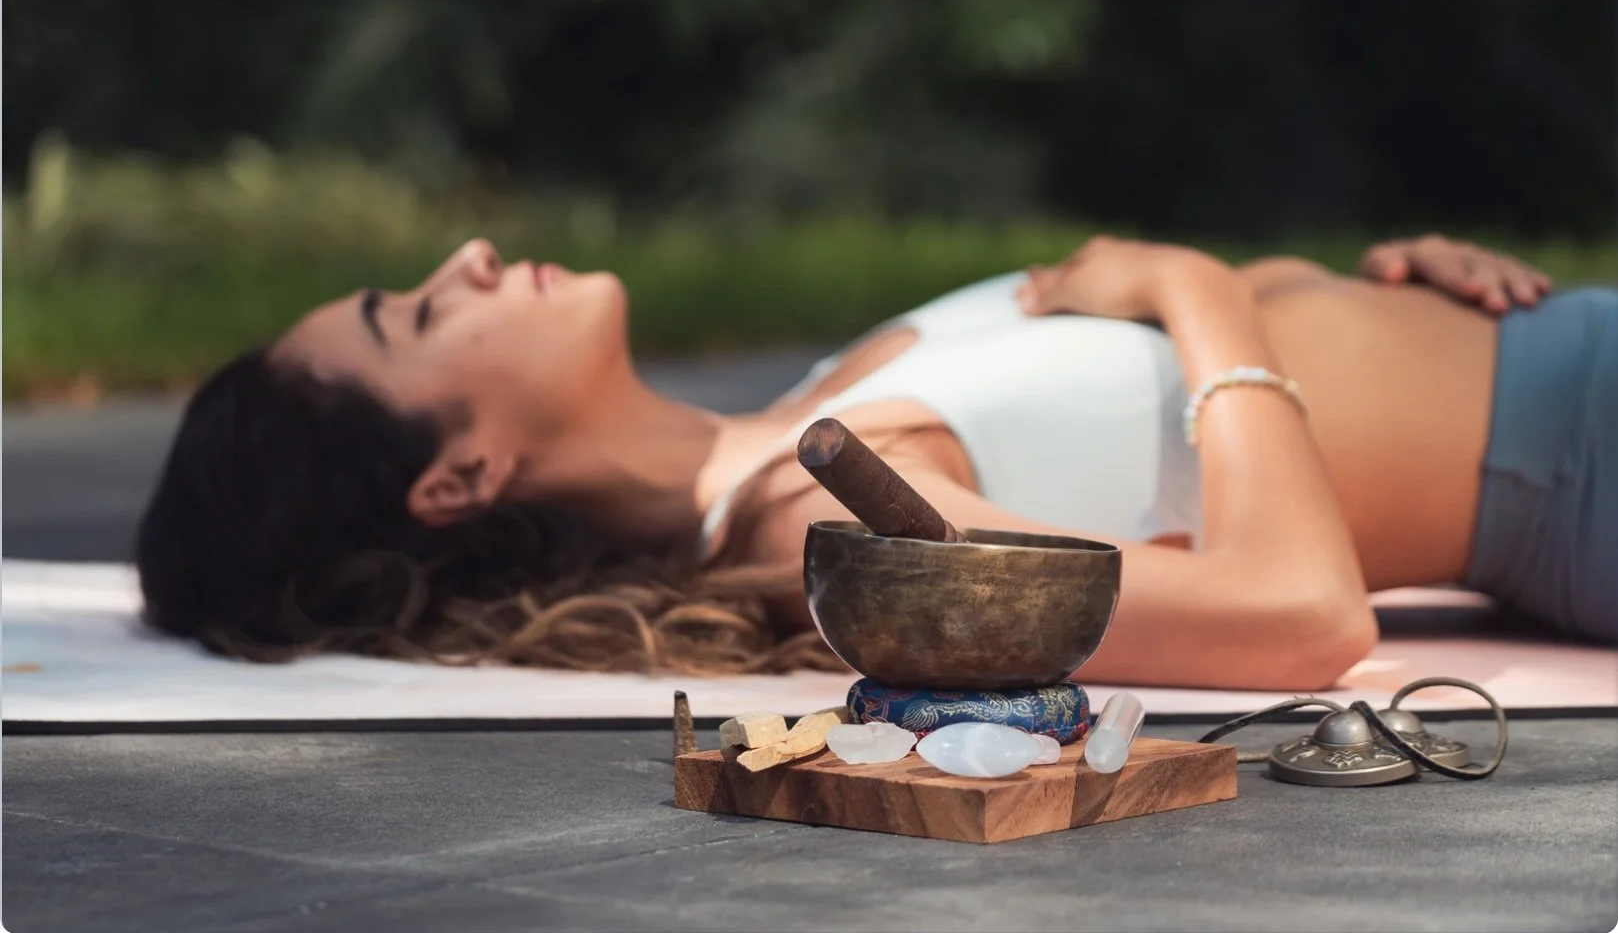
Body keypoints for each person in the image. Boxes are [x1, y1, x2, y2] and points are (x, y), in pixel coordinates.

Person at [135, 232, 1616, 690]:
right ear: (453, 480)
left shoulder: (801, 411)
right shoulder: (818, 531)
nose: (460, 261)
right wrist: (1200, 289)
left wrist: (1351, 280)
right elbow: (1300, 617)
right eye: (413, 316)